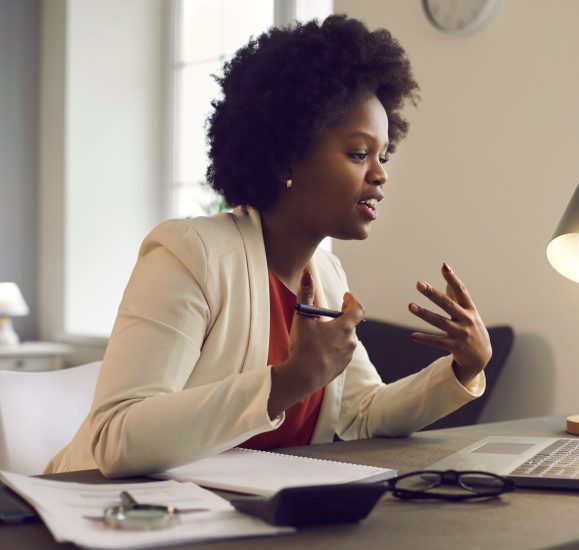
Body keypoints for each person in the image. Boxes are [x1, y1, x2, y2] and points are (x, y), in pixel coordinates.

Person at [46, 15, 492, 477]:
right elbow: (117, 438)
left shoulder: (327, 278)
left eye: (384, 155)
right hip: (104, 517)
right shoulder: (191, 254)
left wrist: (462, 367)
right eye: (359, 154)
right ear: (285, 156)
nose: (380, 174)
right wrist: (285, 383)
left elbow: (362, 414)